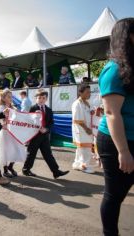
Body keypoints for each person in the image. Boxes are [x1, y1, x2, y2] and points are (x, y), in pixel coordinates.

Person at [96, 18, 134, 236]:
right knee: (115, 195)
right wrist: (124, 151)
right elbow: (111, 113)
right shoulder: (113, 70)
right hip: (117, 142)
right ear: (128, 37)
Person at [22, 89, 69, 179]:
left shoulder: (48, 110)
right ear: (36, 98)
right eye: (39, 98)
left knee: (48, 154)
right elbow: (29, 121)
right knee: (31, 154)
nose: (41, 99)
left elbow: (51, 123)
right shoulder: (33, 108)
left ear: (46, 99)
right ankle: (26, 169)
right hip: (34, 136)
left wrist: (46, 129)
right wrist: (37, 128)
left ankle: (56, 172)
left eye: (43, 98)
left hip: (44, 136)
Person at [0, 89, 26, 178]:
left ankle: (10, 166)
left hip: (13, 132)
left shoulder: (13, 107)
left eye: (11, 96)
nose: (10, 98)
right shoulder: (2, 107)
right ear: (4, 98)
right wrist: (4, 122)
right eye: (8, 96)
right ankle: (5, 170)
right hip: (5, 132)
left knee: (16, 149)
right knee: (5, 150)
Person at [72, 84, 94, 174]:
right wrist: (86, 129)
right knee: (86, 149)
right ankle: (85, 166)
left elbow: (89, 113)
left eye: (90, 92)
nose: (89, 94)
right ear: (80, 93)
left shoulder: (87, 103)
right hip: (82, 130)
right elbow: (77, 119)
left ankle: (77, 164)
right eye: (87, 92)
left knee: (80, 149)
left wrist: (93, 112)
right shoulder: (77, 104)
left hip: (87, 129)